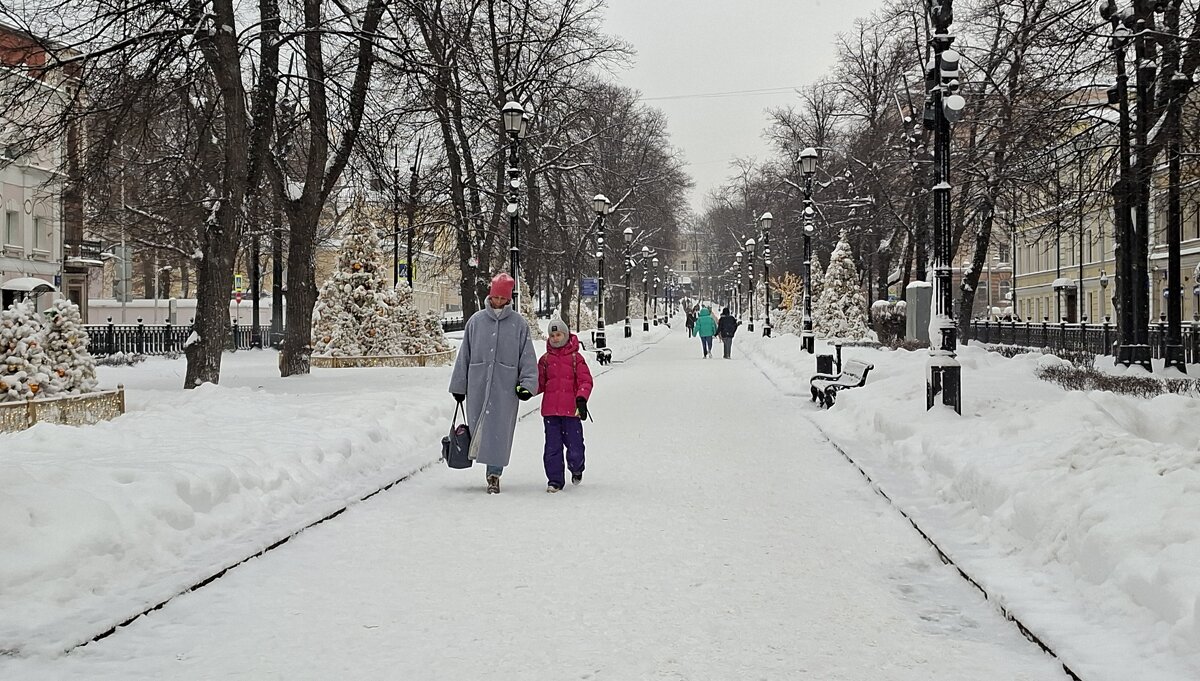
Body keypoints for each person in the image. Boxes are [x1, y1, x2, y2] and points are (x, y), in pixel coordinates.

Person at [448, 272, 538, 494]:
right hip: (477, 384)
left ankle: (494, 474)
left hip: (505, 387)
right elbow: (464, 356)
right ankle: (483, 464)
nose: (498, 302)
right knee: (480, 425)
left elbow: (527, 357)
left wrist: (527, 384)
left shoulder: (519, 324)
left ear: (509, 299)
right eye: (495, 297)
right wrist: (459, 386)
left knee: (499, 430)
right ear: (490, 295)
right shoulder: (476, 322)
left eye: (502, 299)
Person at [536, 318, 593, 493]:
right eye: (552, 335)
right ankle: (554, 480)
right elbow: (539, 383)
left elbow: (585, 381)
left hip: (571, 411)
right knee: (552, 447)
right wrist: (525, 389)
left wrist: (582, 398)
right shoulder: (545, 360)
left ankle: (577, 468)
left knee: (575, 446)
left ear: (566, 335)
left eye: (558, 334)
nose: (555, 338)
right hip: (551, 412)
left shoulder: (576, 358)